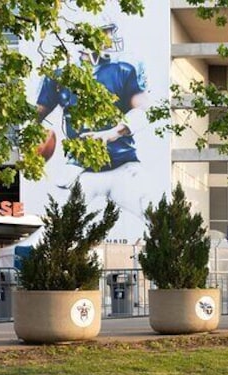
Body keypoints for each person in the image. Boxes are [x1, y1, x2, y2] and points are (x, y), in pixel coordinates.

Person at [35, 18, 151, 227]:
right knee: (57, 231)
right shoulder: (59, 76)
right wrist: (29, 139)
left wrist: (113, 132)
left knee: (156, 219)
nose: (109, 37)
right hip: (79, 169)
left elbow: (142, 111)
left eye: (109, 32)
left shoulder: (123, 70)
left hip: (122, 165)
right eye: (104, 31)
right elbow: (34, 116)